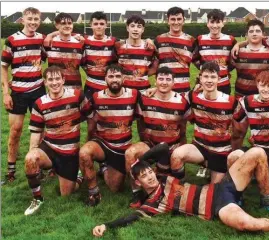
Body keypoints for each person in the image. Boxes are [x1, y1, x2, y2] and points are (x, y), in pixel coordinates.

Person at [92, 143, 269, 237]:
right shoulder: (153, 204)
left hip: (222, 188)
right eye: (143, 177)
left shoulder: (164, 178)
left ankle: (267, 201)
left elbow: (162, 148)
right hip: (219, 207)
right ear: (140, 184)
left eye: (149, 172)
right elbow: (131, 217)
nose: (149, 176)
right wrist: (107, 225)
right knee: (246, 224)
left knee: (258, 153)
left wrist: (137, 164)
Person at [23, 66, 91, 215]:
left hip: (70, 152)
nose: (54, 83)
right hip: (50, 148)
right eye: (50, 79)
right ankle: (37, 199)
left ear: (63, 80)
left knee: (67, 194)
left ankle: (78, 176)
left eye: (57, 79)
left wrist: (89, 142)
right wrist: (33, 158)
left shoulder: (77, 96)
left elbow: (91, 117)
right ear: (45, 82)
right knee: (30, 159)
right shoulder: (39, 103)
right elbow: (35, 133)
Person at [125, 66, 190, 208]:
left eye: (168, 79)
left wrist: (181, 148)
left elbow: (183, 127)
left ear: (174, 83)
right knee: (130, 153)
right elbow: (140, 122)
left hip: (171, 147)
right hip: (150, 144)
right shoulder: (145, 99)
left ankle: (176, 179)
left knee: (170, 186)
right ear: (155, 81)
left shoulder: (182, 102)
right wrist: (144, 141)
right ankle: (136, 192)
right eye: (161, 79)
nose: (164, 82)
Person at [79, 64, 140, 206]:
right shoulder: (96, 97)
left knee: (114, 188)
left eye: (118, 76)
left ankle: (104, 167)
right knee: (84, 153)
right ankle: (94, 193)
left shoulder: (134, 95)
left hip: (122, 148)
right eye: (111, 76)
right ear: (105, 79)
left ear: (123, 78)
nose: (114, 79)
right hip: (102, 143)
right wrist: (89, 140)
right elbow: (90, 120)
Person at [170, 61, 237, 184]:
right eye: (206, 76)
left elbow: (239, 129)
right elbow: (170, 96)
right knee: (176, 155)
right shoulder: (192, 96)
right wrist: (154, 90)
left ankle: (214, 168)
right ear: (200, 78)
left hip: (220, 152)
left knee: (214, 192)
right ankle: (180, 188)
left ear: (219, 79)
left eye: (213, 77)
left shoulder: (231, 102)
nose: (209, 80)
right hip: (199, 147)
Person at [1, 7, 46, 183]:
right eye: (30, 19)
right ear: (23, 19)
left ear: (39, 21)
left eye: (36, 19)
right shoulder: (12, 40)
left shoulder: (42, 39)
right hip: (18, 92)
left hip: (38, 90)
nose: (33, 22)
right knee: (15, 131)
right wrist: (6, 93)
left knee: (40, 131)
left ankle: (38, 166)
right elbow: (3, 66)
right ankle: (10, 171)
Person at [232, 70, 269, 194]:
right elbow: (235, 116)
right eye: (262, 85)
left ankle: (260, 177)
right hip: (257, 149)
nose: (266, 89)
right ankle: (237, 191)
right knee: (233, 157)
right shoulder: (247, 102)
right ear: (257, 85)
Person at [193, 9, 237, 94]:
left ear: (223, 23)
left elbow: (235, 59)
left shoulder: (230, 40)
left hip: (223, 83)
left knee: (223, 106)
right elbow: (194, 58)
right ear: (207, 23)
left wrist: (227, 70)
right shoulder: (200, 39)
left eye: (218, 22)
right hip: (205, 83)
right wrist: (203, 68)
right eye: (212, 22)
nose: (215, 25)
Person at [154, 7, 196, 93]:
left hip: (183, 90)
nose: (176, 22)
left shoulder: (191, 40)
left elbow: (201, 64)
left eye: (179, 19)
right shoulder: (159, 40)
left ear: (183, 20)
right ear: (168, 21)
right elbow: (153, 64)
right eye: (173, 19)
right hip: (163, 89)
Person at [231, 19, 269, 99]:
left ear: (263, 34)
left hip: (262, 96)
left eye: (258, 31)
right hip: (241, 96)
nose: (254, 34)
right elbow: (227, 69)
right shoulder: (238, 51)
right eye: (251, 31)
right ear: (246, 35)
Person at [82, 11, 119, 99]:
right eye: (96, 24)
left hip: (108, 86)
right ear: (91, 25)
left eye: (102, 24)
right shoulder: (85, 41)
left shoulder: (114, 41)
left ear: (106, 25)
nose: (99, 26)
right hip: (90, 86)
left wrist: (147, 40)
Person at [115, 15, 157, 92]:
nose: (135, 29)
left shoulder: (150, 47)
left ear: (143, 29)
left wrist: (143, 73)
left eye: (139, 26)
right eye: (132, 26)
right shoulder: (118, 46)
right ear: (127, 28)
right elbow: (113, 66)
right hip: (124, 91)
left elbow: (155, 67)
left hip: (144, 91)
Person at [44, 13, 84, 89]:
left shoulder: (80, 43)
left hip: (75, 89)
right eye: (63, 23)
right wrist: (50, 35)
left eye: (69, 23)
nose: (67, 26)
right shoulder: (49, 42)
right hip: (55, 89)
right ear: (56, 25)